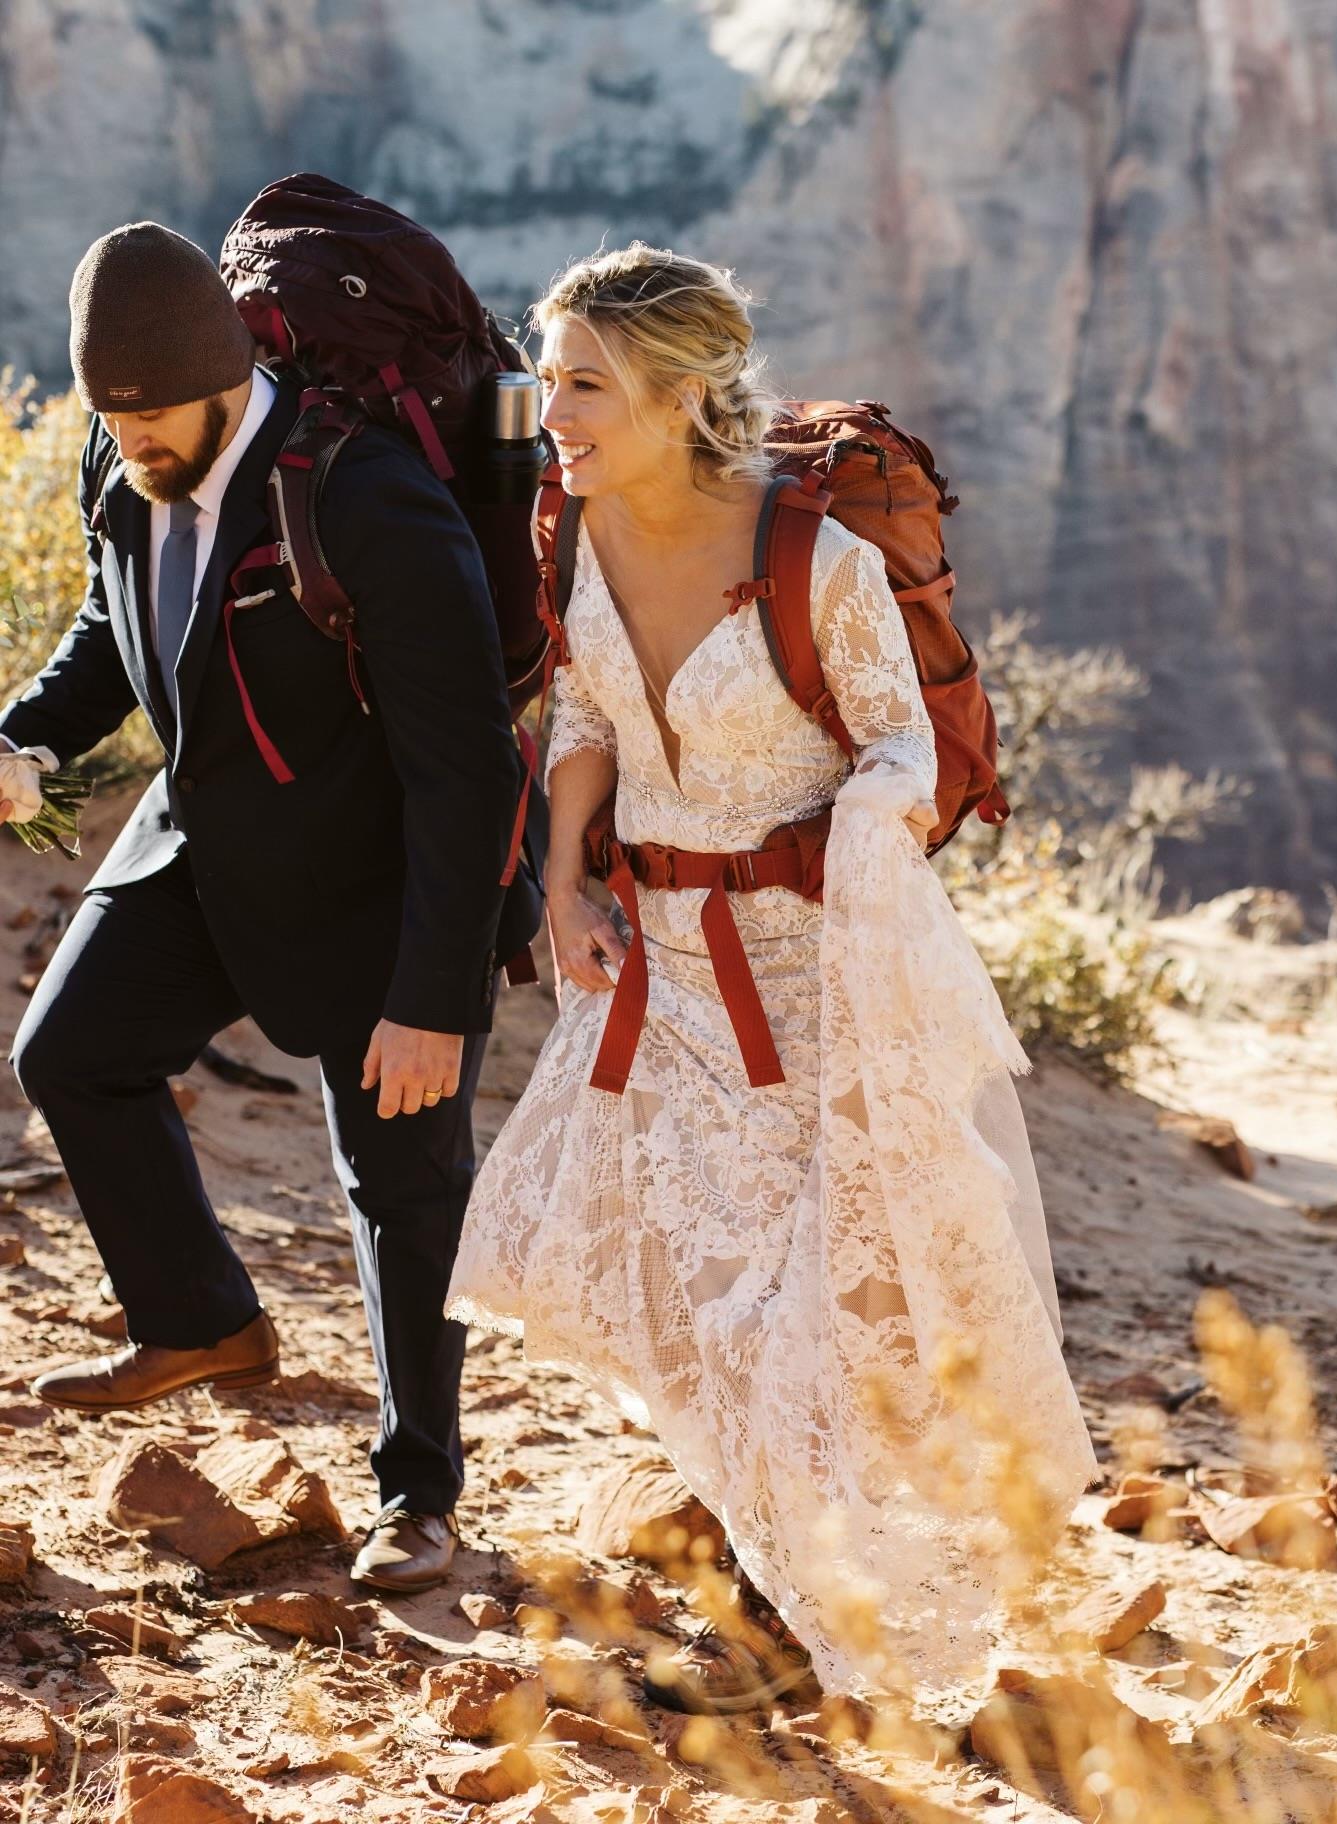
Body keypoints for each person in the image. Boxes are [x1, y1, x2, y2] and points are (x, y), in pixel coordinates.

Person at [446, 245, 1098, 1711]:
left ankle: (792, 1627)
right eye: (545, 377)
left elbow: (900, 749)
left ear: (683, 398)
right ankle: (768, 1580)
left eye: (584, 385)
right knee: (688, 1288)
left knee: (799, 1309)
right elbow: (589, 713)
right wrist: (561, 887)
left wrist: (867, 851)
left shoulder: (814, 559)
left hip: (821, 986)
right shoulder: (576, 521)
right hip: (657, 977)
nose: (550, 410)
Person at [0, 222, 542, 1594]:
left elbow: (466, 771)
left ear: (228, 379)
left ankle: (418, 1497)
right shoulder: (123, 462)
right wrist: (28, 739)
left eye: (152, 415)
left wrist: (434, 997)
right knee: (70, 1055)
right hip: (202, 840)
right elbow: (112, 628)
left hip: (379, 879)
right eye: (108, 415)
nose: (131, 440)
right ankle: (201, 1322)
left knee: (400, 1190)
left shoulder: (368, 505)